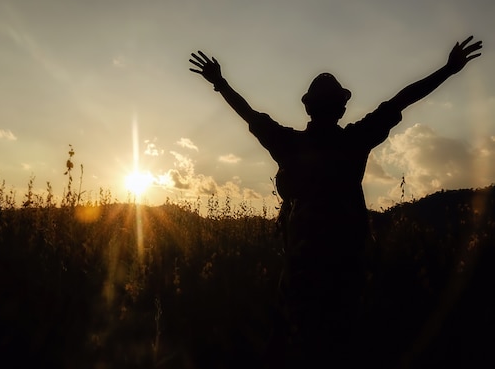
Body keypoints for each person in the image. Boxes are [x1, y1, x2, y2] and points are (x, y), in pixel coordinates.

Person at [189, 37, 482, 367]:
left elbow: (248, 114)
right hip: (347, 270)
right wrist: (448, 69)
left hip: (301, 273)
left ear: (308, 108)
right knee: (342, 345)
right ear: (342, 108)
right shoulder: (355, 140)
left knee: (292, 343)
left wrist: (220, 83)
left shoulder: (287, 143)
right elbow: (401, 100)